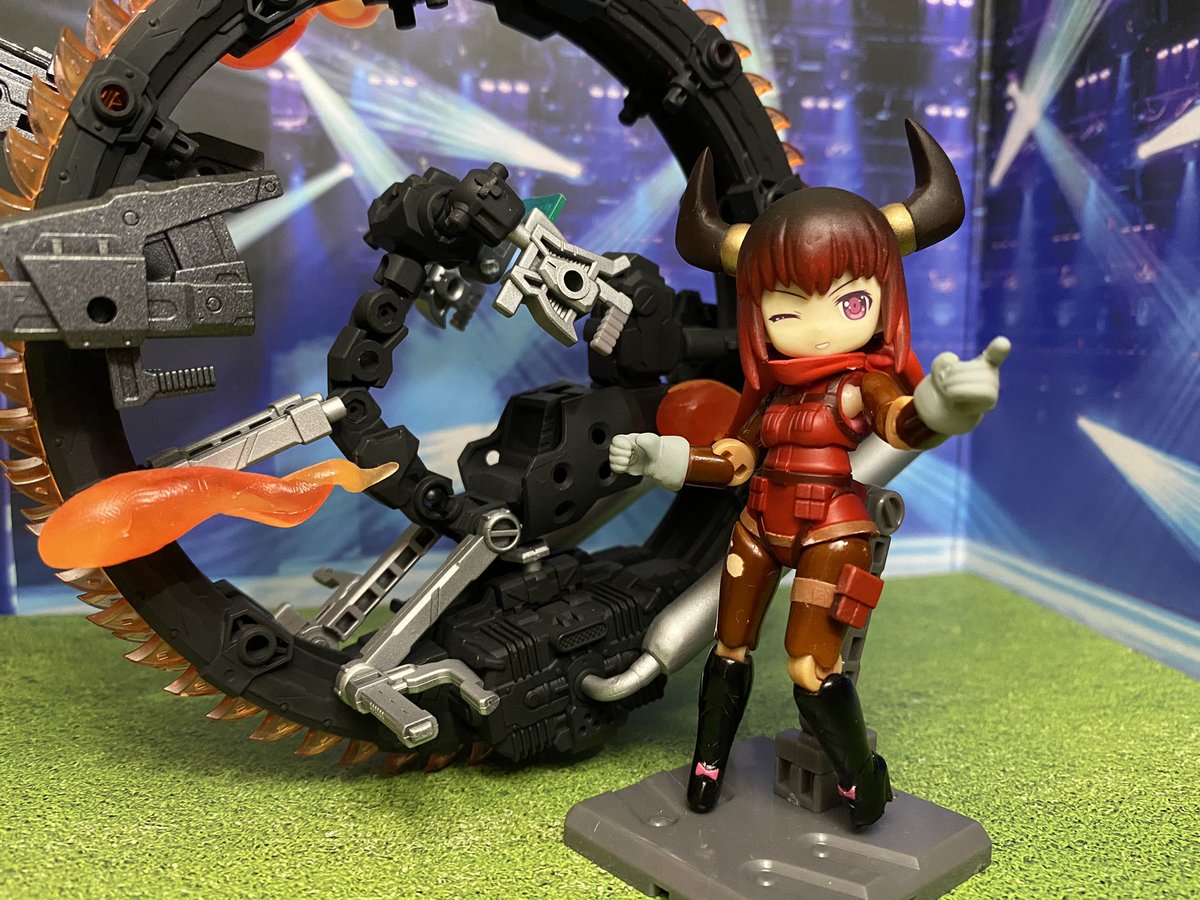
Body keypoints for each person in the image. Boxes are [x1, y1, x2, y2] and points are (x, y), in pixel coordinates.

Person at [609, 120, 1008, 829]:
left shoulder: (860, 385)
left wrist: (942, 409)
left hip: (831, 531)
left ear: (882, 299)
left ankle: (862, 780)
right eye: (788, 308)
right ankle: (708, 765)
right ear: (759, 310)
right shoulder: (769, 395)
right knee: (729, 649)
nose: (819, 327)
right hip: (760, 525)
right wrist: (665, 460)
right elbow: (733, 461)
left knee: (809, 671)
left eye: (849, 303)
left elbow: (899, 423)